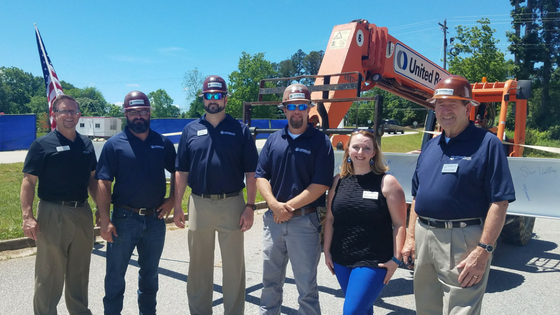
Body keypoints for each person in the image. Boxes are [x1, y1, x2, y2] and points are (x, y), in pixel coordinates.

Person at [401, 75, 516, 315]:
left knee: (461, 309)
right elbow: (417, 195)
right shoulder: (431, 145)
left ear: (468, 107)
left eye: (452, 103)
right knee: (426, 307)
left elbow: (500, 201)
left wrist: (483, 251)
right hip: (424, 235)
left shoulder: (487, 144)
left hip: (463, 239)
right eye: (440, 104)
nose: (445, 110)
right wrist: (411, 238)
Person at [173, 75, 258, 315]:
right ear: (203, 99)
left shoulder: (239, 130)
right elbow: (181, 171)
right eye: (208, 95)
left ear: (226, 99)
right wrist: (178, 206)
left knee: (233, 268)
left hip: (232, 203)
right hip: (198, 203)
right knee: (198, 267)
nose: (213, 100)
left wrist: (250, 206)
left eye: (218, 95)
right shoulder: (191, 130)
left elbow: (251, 172)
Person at [255, 83, 335, 315]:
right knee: (269, 284)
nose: (297, 111)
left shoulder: (320, 142)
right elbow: (261, 176)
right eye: (292, 106)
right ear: (285, 109)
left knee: (306, 288)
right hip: (274, 222)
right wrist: (273, 205)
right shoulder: (274, 140)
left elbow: (320, 185)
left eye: (301, 106)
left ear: (309, 108)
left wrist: (286, 207)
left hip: (304, 222)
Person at [96, 91, 177, 315]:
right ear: (126, 114)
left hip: (155, 220)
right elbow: (103, 182)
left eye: (143, 111)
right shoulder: (114, 145)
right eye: (133, 112)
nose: (138, 116)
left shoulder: (162, 143)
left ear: (150, 113)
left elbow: (179, 172)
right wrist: (105, 219)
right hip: (124, 219)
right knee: (115, 276)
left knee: (150, 276)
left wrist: (172, 200)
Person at [20, 94, 98, 315]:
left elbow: (93, 180)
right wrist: (28, 217)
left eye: (73, 111)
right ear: (54, 115)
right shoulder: (42, 145)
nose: (69, 115)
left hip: (82, 212)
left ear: (79, 114)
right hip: (52, 212)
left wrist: (101, 210)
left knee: (80, 272)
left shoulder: (86, 145)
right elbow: (28, 181)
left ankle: (80, 311)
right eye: (64, 111)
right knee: (49, 274)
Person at [323, 129, 407, 315]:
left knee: (352, 312)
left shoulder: (387, 183)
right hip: (341, 258)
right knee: (363, 310)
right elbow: (330, 218)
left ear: (374, 152)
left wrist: (396, 260)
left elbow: (400, 224)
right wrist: (327, 251)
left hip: (373, 260)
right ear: (348, 150)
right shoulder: (338, 181)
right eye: (356, 147)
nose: (360, 152)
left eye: (366, 148)